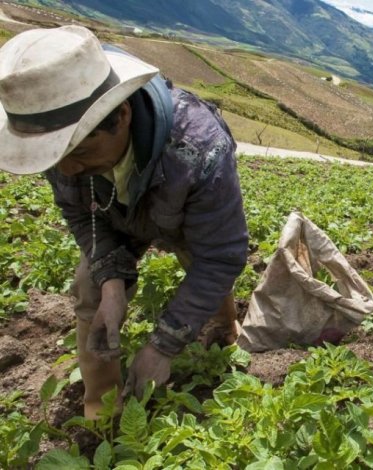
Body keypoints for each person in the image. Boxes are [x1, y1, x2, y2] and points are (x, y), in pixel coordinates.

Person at [0, 26, 249, 419]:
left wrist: (163, 346)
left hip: (181, 215)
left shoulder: (200, 149)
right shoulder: (56, 143)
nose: (66, 168)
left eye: (79, 149)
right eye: (56, 156)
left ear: (122, 115)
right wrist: (112, 284)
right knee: (90, 287)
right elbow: (80, 213)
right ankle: (102, 412)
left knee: (200, 263)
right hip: (113, 216)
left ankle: (222, 328)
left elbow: (220, 256)